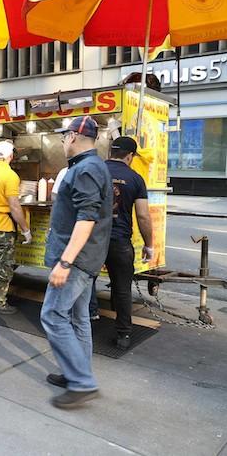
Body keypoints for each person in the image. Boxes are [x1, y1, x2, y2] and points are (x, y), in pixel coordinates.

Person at [41, 115, 112, 409]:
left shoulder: (85, 169)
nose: (61, 141)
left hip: (77, 260)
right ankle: (77, 373)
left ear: (72, 137)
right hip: (88, 257)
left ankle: (82, 382)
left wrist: (66, 262)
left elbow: (87, 218)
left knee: (53, 316)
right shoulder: (94, 166)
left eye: (63, 136)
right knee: (79, 318)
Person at [105, 136, 154, 350]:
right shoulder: (135, 178)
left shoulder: (94, 170)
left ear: (110, 152)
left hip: (91, 238)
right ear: (130, 156)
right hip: (119, 240)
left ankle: (82, 326)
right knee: (122, 288)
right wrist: (148, 244)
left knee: (85, 283)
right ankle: (123, 334)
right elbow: (143, 216)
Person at [0, 141, 31, 314]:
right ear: (10, 155)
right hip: (3, 225)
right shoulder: (10, 176)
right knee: (3, 266)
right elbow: (15, 207)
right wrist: (26, 230)